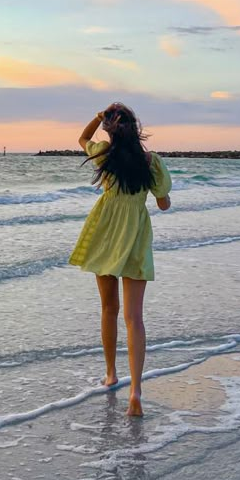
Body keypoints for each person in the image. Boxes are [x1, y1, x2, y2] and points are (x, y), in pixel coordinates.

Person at [69, 103, 172, 416]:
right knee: (134, 318)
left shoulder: (103, 154)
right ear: (135, 128)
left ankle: (112, 374)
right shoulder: (150, 161)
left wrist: (98, 117)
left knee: (108, 309)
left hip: (104, 236)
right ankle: (136, 392)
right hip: (135, 239)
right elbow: (164, 204)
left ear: (111, 129)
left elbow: (81, 138)